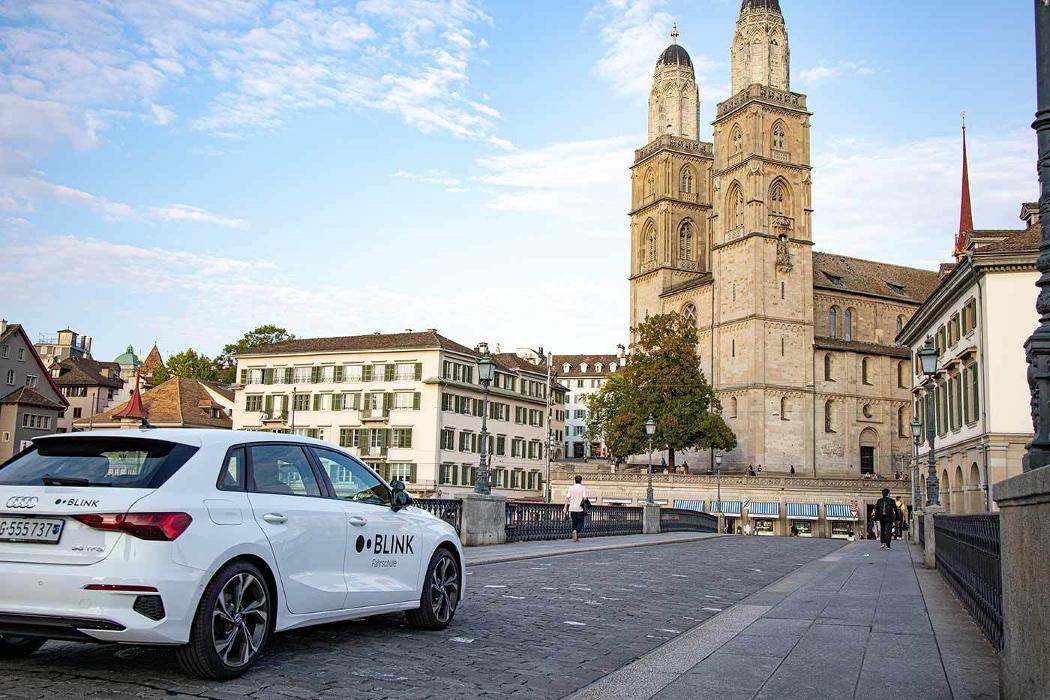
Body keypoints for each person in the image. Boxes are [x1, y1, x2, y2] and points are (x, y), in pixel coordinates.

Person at [563, 474, 588, 542]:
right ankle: (576, 531)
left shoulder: (571, 487)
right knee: (581, 522)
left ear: (575, 480)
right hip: (579, 508)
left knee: (574, 522)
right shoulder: (583, 488)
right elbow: (585, 498)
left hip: (572, 508)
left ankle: (575, 537)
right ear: (581, 481)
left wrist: (565, 507)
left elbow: (567, 498)